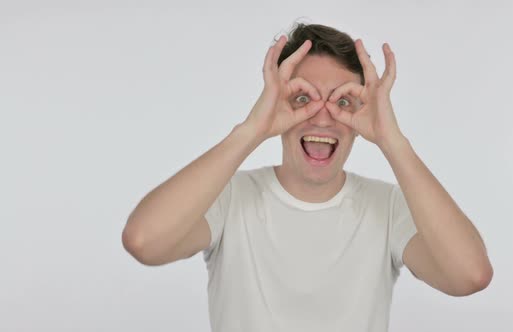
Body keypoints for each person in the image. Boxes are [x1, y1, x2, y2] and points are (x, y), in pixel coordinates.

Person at [122, 22, 493, 332]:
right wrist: (252, 128)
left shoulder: (389, 207)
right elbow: (143, 240)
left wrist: (393, 141)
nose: (322, 117)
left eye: (342, 101)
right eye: (303, 98)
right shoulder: (228, 197)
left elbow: (470, 275)